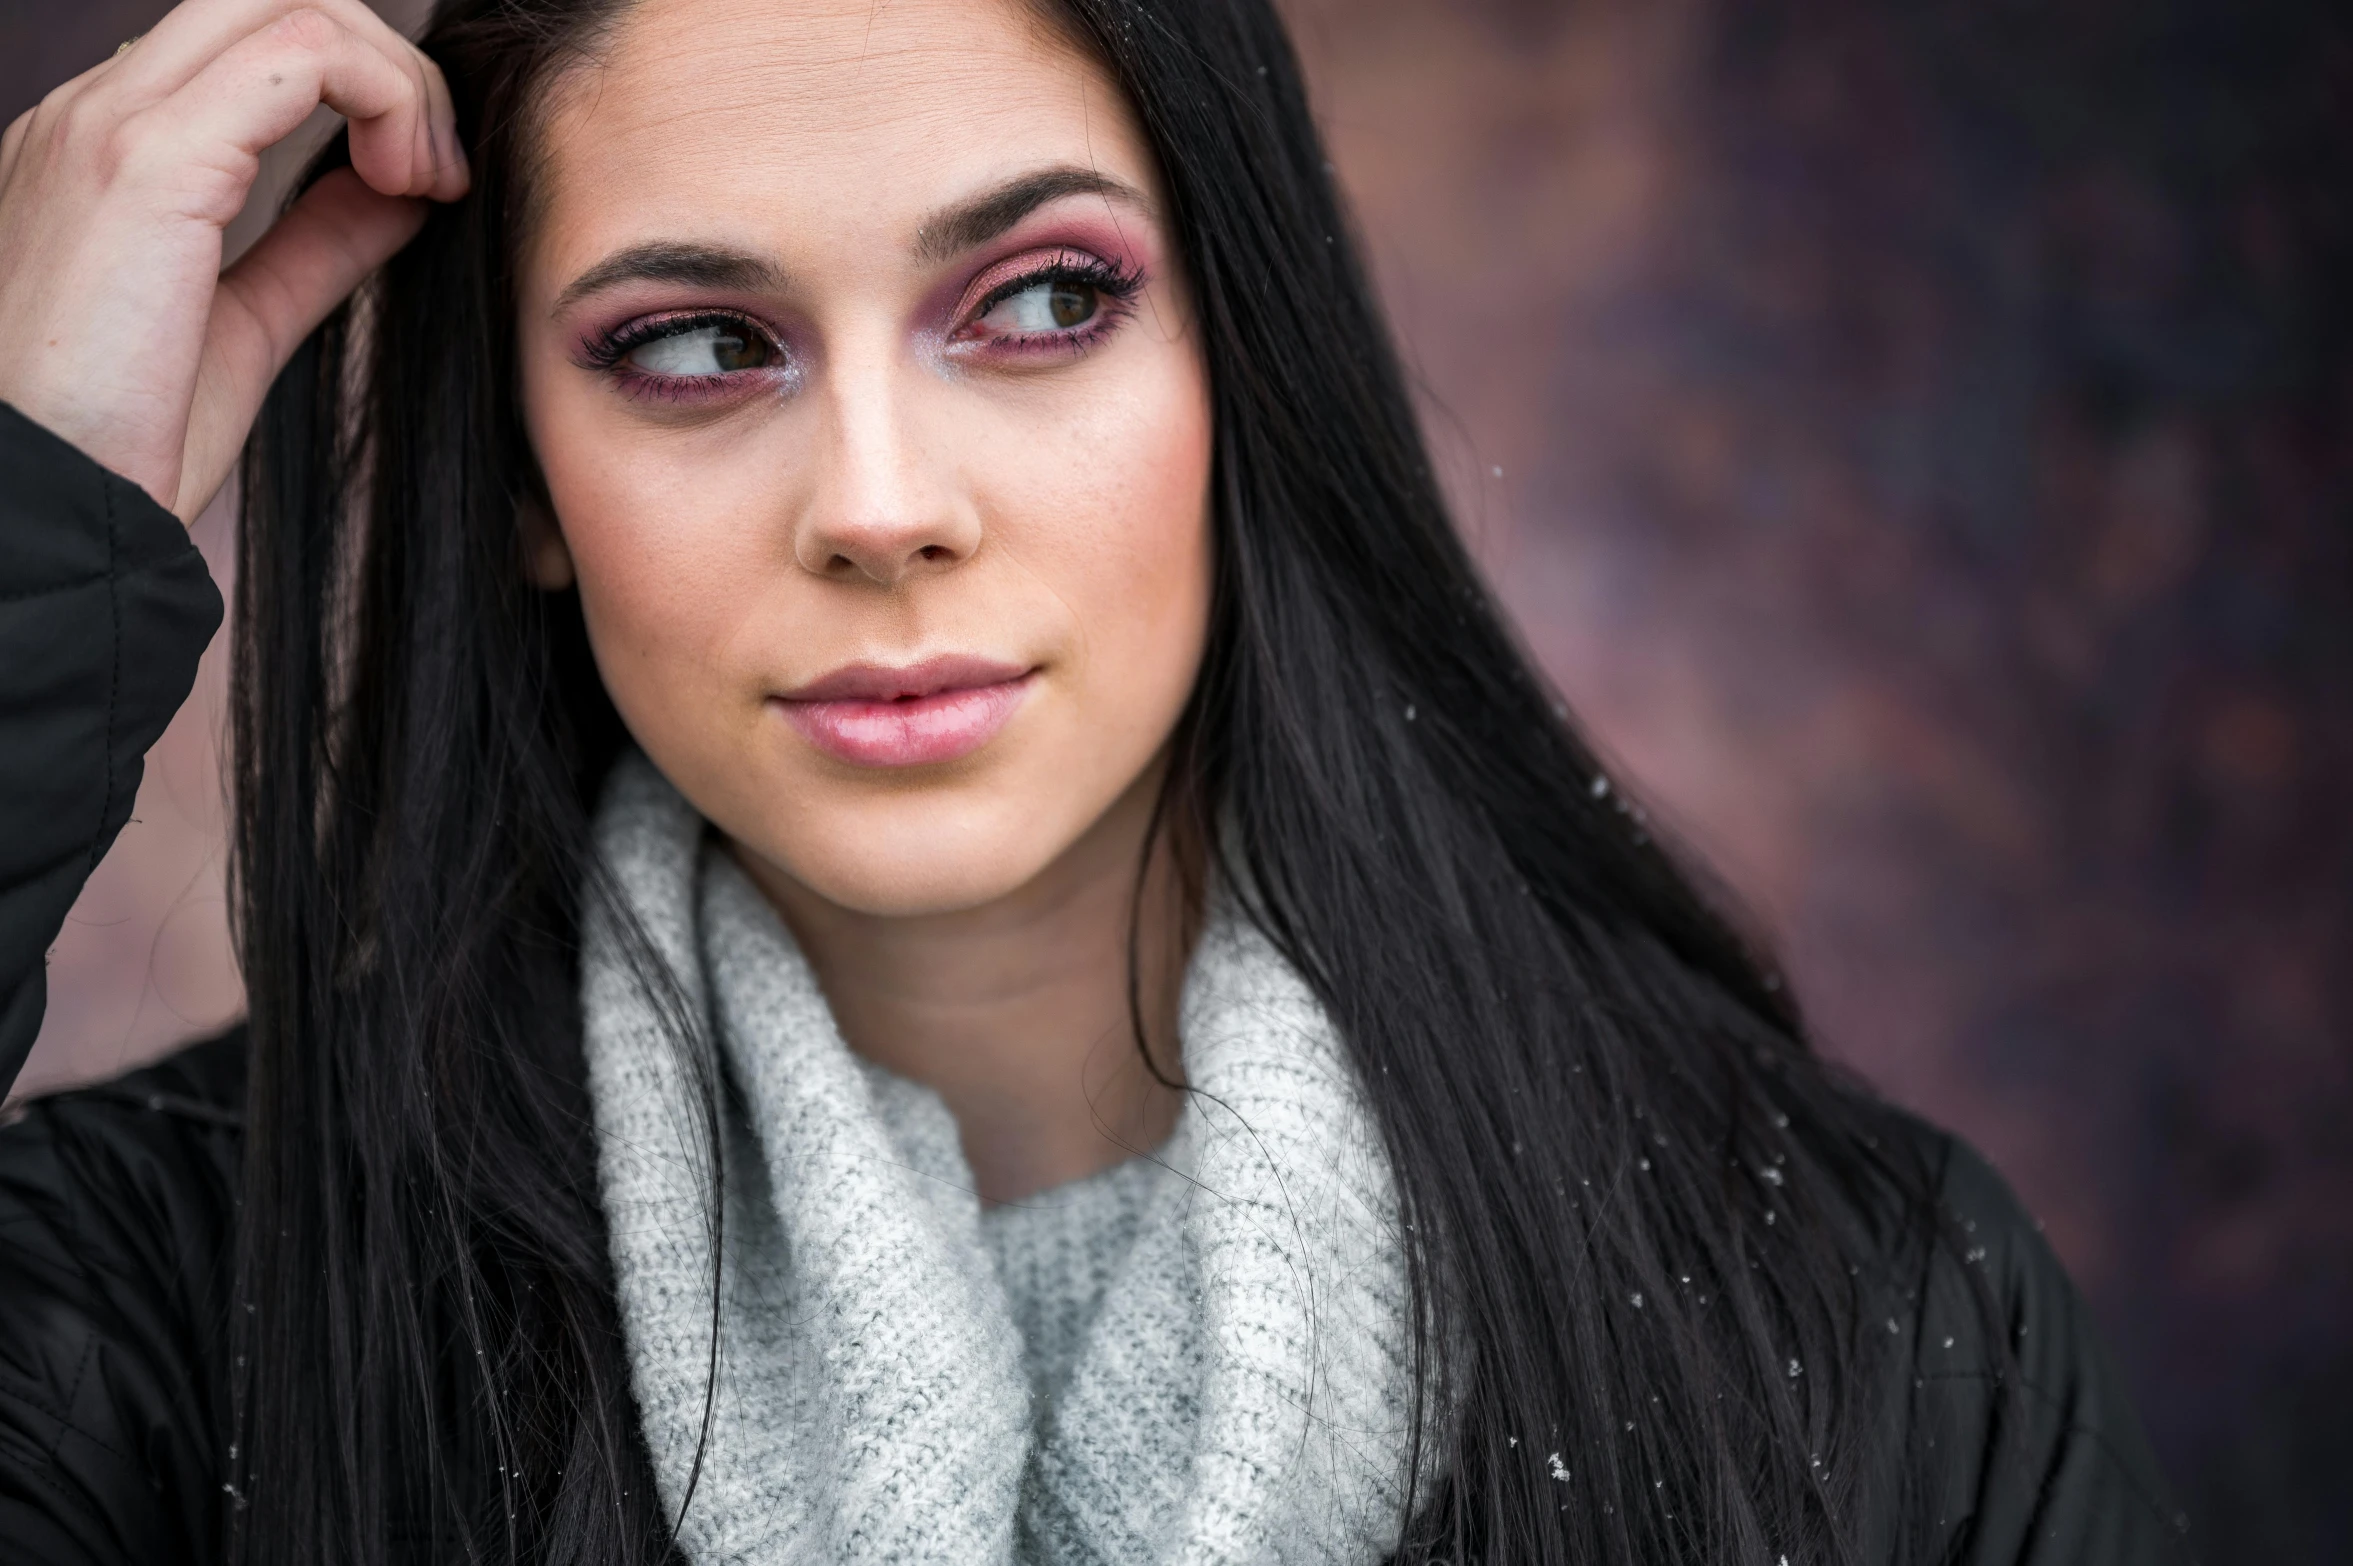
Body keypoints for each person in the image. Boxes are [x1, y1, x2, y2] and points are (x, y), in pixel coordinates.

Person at [0, 0, 2191, 1561]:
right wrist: (32, 525)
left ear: (1244, 361)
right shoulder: (164, 1313)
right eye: (693, 346)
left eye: (1042, 301)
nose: (880, 502)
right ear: (530, 482)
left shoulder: (1859, 1312)